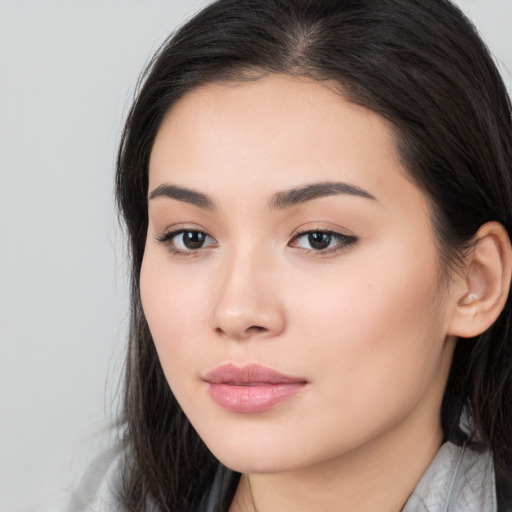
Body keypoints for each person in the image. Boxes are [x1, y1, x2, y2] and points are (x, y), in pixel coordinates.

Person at [69, 0, 512, 510]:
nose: (236, 312)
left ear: (476, 282)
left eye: (318, 238)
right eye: (190, 237)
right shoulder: (104, 491)